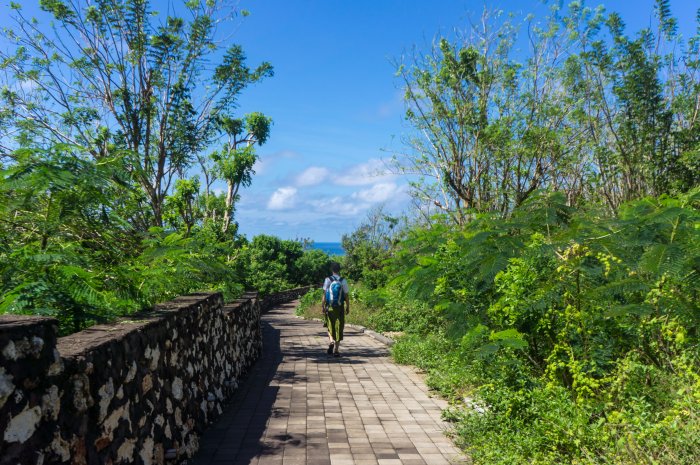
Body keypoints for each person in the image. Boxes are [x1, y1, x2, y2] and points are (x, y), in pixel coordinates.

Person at [321, 262, 350, 357]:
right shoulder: (343, 280)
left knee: (330, 325)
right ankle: (336, 350)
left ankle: (331, 341)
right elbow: (346, 296)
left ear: (332, 270)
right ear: (339, 269)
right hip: (340, 307)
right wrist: (347, 307)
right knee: (339, 327)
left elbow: (324, 295)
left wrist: (323, 306)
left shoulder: (327, 280)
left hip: (330, 307)